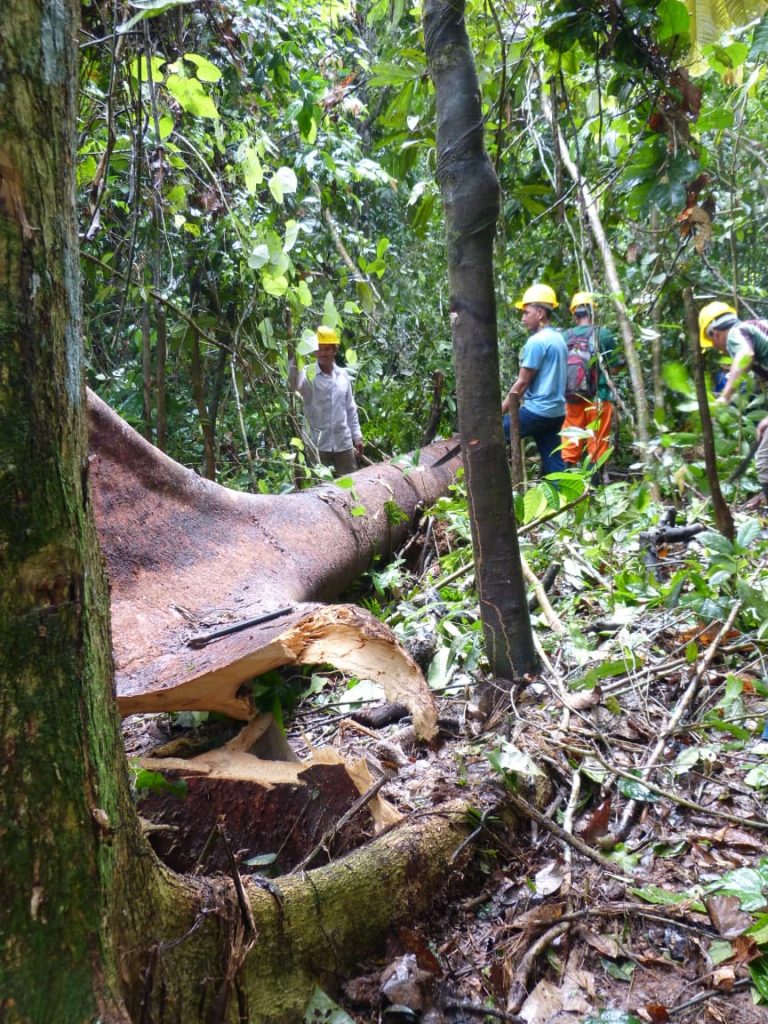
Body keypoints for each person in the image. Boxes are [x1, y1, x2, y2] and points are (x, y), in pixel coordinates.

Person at [699, 301, 768, 503]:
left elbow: (745, 354)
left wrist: (725, 396)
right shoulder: (757, 327)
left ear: (715, 333)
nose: (719, 350)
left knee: (764, 462)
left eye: (712, 343)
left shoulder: (736, 333)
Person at [502, 284, 567, 476]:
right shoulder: (559, 339)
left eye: (526, 313)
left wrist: (499, 411)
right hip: (557, 412)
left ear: (540, 313)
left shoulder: (536, 342)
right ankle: (566, 493)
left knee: (493, 436)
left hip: (538, 411)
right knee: (554, 463)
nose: (523, 319)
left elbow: (522, 383)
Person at [289, 325, 364, 476]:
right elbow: (294, 384)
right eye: (319, 349)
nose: (322, 353)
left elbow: (350, 408)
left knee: (350, 482)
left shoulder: (342, 376)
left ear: (334, 350)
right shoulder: (308, 374)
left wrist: (357, 436)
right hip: (317, 444)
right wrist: (293, 357)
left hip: (342, 441)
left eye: (327, 349)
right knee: (317, 485)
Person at [561, 291, 620, 473]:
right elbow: (614, 368)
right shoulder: (604, 334)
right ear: (593, 311)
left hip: (572, 398)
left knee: (570, 444)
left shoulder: (565, 337)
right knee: (598, 445)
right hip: (598, 398)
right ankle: (595, 486)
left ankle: (568, 483)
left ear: (574, 314)